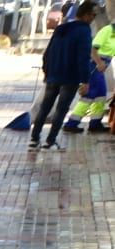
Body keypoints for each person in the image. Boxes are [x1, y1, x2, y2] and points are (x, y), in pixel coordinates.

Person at [32, 0, 98, 150]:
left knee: (45, 108)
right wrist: (85, 81)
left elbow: (47, 53)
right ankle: (50, 140)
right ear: (86, 15)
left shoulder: (61, 28)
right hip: (70, 76)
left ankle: (34, 139)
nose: (94, 18)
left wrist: (47, 71)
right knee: (61, 109)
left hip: (53, 74)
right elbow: (83, 57)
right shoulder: (84, 31)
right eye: (93, 15)